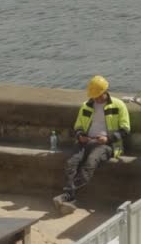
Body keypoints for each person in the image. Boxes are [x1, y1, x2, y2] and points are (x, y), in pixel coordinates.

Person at [53, 75, 131, 214]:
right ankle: (70, 198)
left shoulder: (119, 106)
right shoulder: (86, 106)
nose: (95, 99)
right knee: (71, 163)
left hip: (107, 145)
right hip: (86, 142)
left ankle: (68, 194)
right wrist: (80, 136)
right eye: (94, 96)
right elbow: (78, 127)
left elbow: (125, 130)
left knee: (90, 163)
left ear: (104, 92)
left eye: (98, 95)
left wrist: (108, 138)